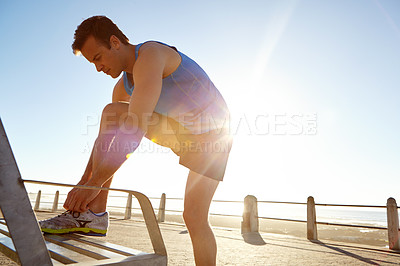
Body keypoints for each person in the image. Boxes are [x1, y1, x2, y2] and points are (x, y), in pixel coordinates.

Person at [39, 15, 232, 265]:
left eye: (98, 57)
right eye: (91, 63)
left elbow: (135, 129)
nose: (97, 68)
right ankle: (95, 214)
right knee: (112, 113)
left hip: (213, 137)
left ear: (115, 42)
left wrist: (93, 183)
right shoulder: (123, 87)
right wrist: (87, 182)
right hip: (180, 133)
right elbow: (111, 140)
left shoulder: (151, 55)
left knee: (194, 217)